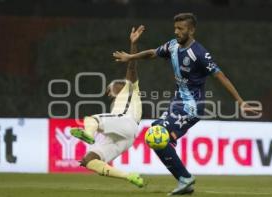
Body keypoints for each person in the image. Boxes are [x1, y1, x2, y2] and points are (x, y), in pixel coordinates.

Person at [113, 13, 260, 195]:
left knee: (155, 135)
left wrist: (240, 102)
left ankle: (184, 178)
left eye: (180, 29)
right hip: (178, 103)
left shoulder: (199, 53)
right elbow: (153, 53)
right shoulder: (173, 45)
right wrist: (130, 55)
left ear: (191, 30)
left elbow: (221, 76)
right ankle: (183, 175)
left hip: (192, 106)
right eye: (175, 28)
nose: (176, 32)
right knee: (155, 133)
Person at [70, 25, 145, 188]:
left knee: (92, 119)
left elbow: (132, 66)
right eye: (110, 89)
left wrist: (133, 44)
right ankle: (130, 176)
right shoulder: (117, 103)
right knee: (89, 161)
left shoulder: (130, 87)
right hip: (126, 136)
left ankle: (88, 134)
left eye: (112, 86)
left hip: (127, 123)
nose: (111, 89)